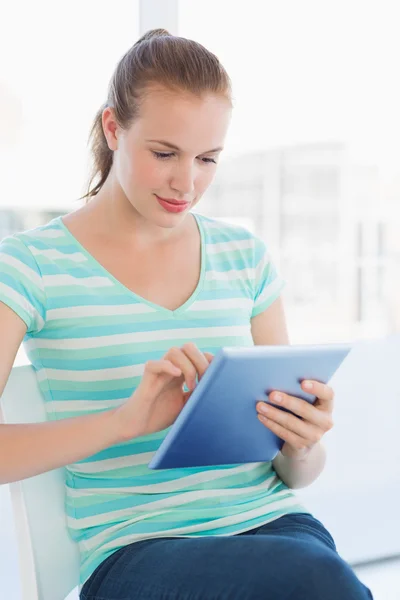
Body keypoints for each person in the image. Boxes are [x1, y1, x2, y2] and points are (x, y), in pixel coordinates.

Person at [0, 29, 373, 600]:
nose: (187, 182)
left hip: (276, 528)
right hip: (136, 549)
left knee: (317, 577)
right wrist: (125, 422)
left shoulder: (243, 258)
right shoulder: (30, 265)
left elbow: (294, 474)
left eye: (208, 159)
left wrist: (302, 443)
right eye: (164, 154)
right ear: (112, 128)